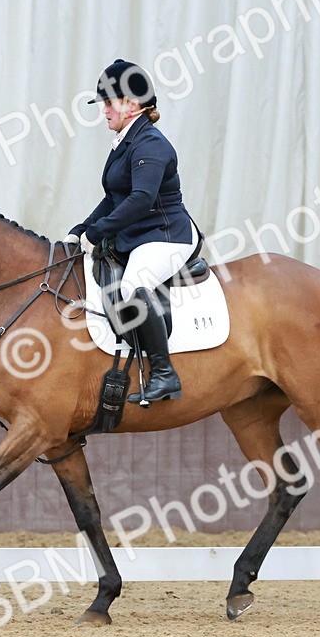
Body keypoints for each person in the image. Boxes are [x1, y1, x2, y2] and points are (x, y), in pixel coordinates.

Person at [64, 59, 200, 404]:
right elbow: (115, 197)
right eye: (103, 103)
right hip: (140, 233)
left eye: (110, 102)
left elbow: (141, 200)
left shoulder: (150, 144)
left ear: (133, 104)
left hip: (166, 236)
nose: (104, 111)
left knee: (132, 286)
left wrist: (96, 234)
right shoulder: (125, 141)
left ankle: (165, 374)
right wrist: (81, 229)